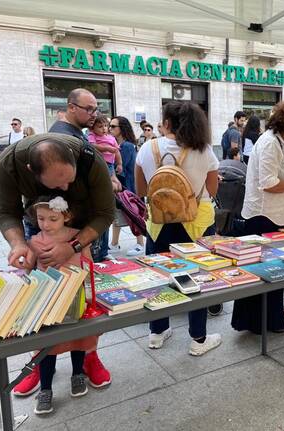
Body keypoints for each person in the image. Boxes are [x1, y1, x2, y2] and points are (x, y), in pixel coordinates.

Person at [0, 133, 114, 396]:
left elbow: (106, 213)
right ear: (31, 172)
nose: (64, 190)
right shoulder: (8, 166)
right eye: (57, 185)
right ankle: (40, 361)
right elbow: (6, 211)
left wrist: (72, 246)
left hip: (80, 234)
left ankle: (88, 356)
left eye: (70, 181)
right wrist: (19, 244)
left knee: (82, 304)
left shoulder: (90, 160)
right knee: (40, 308)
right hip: (39, 226)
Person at [135, 101, 222, 355]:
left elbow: (141, 190)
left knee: (159, 277)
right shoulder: (204, 150)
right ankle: (198, 339)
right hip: (195, 223)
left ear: (167, 123)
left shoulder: (147, 148)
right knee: (197, 277)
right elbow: (213, 191)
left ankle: (157, 332)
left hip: (158, 223)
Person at [232, 98, 284, 334]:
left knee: (274, 269)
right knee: (265, 271)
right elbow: (268, 183)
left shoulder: (279, 142)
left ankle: (270, 315)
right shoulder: (269, 143)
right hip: (262, 216)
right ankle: (261, 320)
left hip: (273, 215)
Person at [26, 196, 94, 415]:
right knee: (48, 345)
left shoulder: (77, 237)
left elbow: (88, 263)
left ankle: (77, 374)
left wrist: (90, 292)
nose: (46, 224)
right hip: (47, 301)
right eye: (41, 218)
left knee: (78, 339)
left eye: (53, 219)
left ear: (67, 216)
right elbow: (29, 268)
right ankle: (45, 388)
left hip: (75, 297)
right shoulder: (35, 241)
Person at [49, 88, 111, 263]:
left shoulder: (74, 132)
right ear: (71, 107)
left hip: (83, 222)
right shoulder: (64, 136)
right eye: (89, 109)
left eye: (96, 109)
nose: (94, 114)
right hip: (77, 224)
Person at [108, 116, 144, 256]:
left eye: (113, 126)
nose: (109, 129)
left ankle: (140, 243)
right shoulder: (116, 145)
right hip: (121, 186)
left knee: (133, 215)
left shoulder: (127, 146)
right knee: (117, 215)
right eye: (110, 126)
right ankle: (115, 243)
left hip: (127, 186)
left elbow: (120, 168)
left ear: (121, 128)